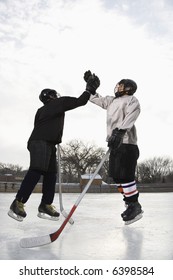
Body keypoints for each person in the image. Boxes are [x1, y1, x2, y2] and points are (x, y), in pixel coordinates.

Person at [8, 77, 100, 222]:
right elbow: (79, 101)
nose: (58, 96)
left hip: (46, 143)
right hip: (41, 142)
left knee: (51, 174)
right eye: (55, 95)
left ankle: (45, 204)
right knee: (36, 170)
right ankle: (18, 202)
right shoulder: (58, 103)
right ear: (52, 96)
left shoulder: (41, 110)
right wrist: (89, 90)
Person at [84, 70, 143, 225]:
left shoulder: (132, 100)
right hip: (115, 143)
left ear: (128, 88)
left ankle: (134, 205)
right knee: (116, 176)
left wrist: (120, 131)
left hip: (127, 144)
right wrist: (90, 88)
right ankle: (129, 202)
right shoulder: (111, 101)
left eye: (121, 85)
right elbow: (96, 99)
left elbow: (132, 116)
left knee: (125, 175)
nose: (117, 87)